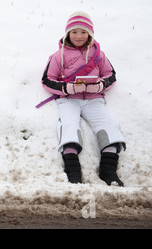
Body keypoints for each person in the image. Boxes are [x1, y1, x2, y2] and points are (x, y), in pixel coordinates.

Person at [41, 11, 126, 186]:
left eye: (83, 32)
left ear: (90, 34)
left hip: (94, 99)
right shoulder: (59, 56)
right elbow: (47, 80)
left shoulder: (98, 54)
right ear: (67, 34)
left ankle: (108, 171)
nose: (79, 36)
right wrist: (67, 88)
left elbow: (111, 75)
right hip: (68, 99)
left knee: (109, 125)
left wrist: (100, 85)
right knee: (69, 126)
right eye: (74, 32)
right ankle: (73, 172)